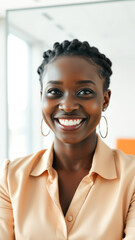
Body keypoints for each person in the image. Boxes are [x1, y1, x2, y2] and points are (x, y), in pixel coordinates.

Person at [0, 39, 135, 240]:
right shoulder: (11, 177)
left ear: (104, 100)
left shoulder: (131, 177)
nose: (68, 105)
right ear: (41, 99)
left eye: (85, 92)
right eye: (54, 92)